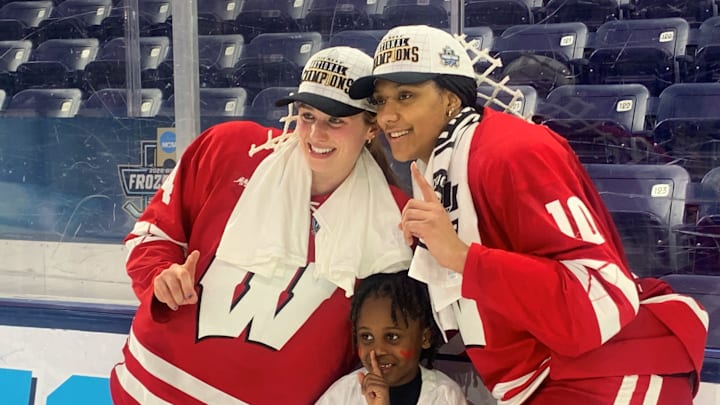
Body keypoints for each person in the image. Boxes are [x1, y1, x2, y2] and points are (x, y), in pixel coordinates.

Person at [349, 25, 709, 404]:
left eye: (405, 96)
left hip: (607, 373)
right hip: (556, 376)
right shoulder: (446, 164)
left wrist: (461, 258)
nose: (387, 116)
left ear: (452, 99)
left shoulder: (512, 152)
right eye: (381, 100)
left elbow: (599, 297)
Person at [109, 46, 414, 404]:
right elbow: (152, 234)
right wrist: (161, 275)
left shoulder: (395, 222)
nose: (316, 134)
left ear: (371, 127)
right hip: (145, 390)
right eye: (307, 115)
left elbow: (389, 336)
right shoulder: (229, 148)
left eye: (336, 120)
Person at [316, 271, 467, 405]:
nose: (378, 350)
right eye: (367, 337)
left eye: (392, 336)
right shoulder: (343, 395)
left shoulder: (444, 396)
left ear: (425, 338)